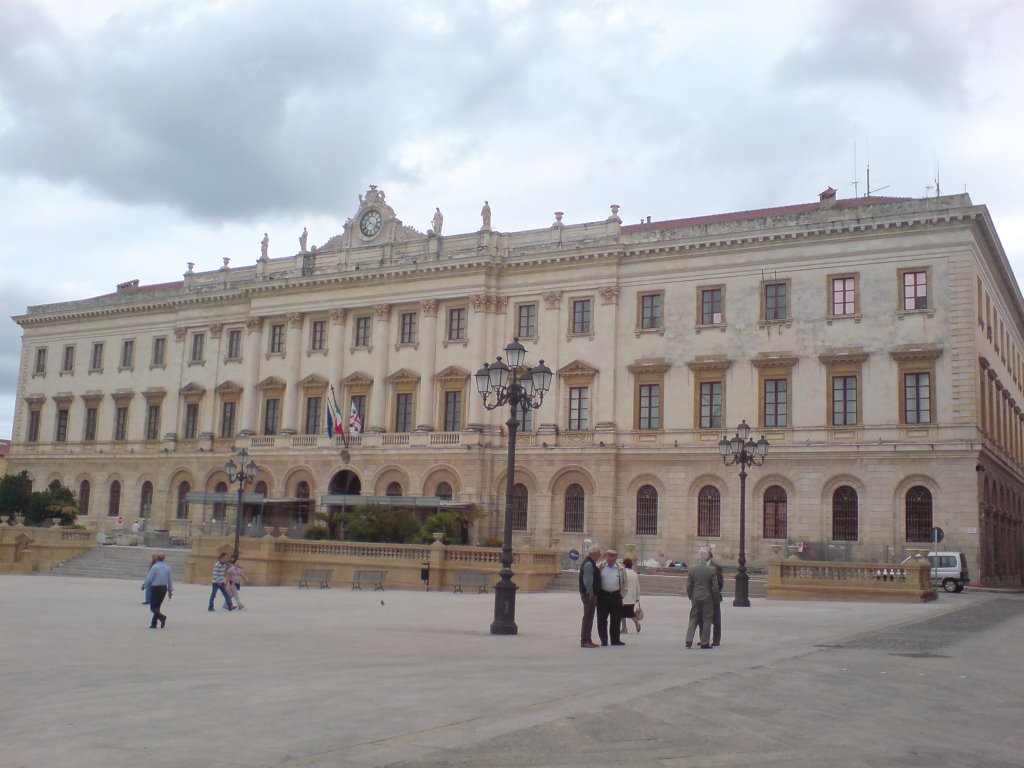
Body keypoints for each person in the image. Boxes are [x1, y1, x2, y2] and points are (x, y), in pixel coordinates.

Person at [685, 548, 720, 648]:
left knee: (693, 617)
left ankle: (689, 639)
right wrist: (715, 598)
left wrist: (690, 595)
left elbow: (689, 585)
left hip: (695, 596)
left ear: (698, 557)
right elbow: (715, 587)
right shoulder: (711, 570)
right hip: (707, 597)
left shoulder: (692, 569)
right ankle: (704, 642)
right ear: (707, 558)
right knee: (707, 618)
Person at [596, 549, 626, 646]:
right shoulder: (600, 567)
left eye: (611, 557)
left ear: (615, 558)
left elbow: (625, 583)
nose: (609, 559)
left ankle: (615, 639)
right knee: (602, 619)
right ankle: (604, 640)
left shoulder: (620, 569)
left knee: (616, 619)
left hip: (616, 595)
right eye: (608, 557)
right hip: (603, 595)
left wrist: (622, 595)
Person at [578, 544, 601, 648]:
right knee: (588, 617)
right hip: (589, 595)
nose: (600, 555)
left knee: (589, 617)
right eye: (599, 553)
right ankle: (585, 640)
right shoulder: (588, 564)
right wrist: (591, 593)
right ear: (595, 554)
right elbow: (587, 581)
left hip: (590, 594)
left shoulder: (590, 563)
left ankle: (588, 639)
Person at [142, 553, 173, 629]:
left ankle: (162, 617)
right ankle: (153, 623)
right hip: (164, 588)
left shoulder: (155, 567)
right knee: (157, 606)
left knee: (152, 607)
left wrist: (144, 585)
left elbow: (149, 578)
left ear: (157, 559)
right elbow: (170, 580)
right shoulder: (167, 568)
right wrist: (170, 591)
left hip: (156, 588)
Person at [620, 557, 641, 635]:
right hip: (632, 598)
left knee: (622, 614)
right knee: (630, 612)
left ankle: (624, 627)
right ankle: (636, 623)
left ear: (624, 564)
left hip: (624, 597)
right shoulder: (635, 574)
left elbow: (621, 584)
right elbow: (637, 586)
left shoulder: (624, 573)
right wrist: (637, 597)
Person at [708, 549, 725, 646]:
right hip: (704, 597)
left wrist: (715, 592)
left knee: (716, 619)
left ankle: (716, 640)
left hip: (714, 597)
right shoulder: (698, 566)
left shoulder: (716, 567)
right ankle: (704, 638)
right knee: (704, 619)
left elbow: (720, 583)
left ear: (709, 556)